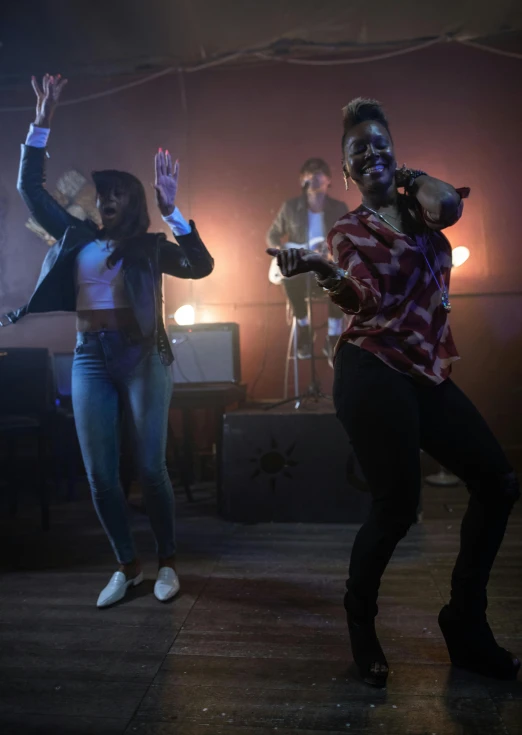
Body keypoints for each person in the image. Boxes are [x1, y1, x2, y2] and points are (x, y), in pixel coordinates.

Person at [267, 97, 520, 686]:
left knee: (498, 482)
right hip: (372, 369)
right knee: (399, 507)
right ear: (345, 171)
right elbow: (365, 299)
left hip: (426, 370)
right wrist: (326, 272)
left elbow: (450, 204)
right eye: (360, 150)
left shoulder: (421, 208)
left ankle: (464, 622)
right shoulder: (348, 228)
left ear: (395, 154)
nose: (373, 152)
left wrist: (404, 177)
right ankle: (361, 623)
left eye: (381, 143)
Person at [12, 74, 214, 608]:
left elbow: (201, 265)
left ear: (134, 203)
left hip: (142, 356)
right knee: (100, 476)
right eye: (102, 193)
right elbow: (28, 190)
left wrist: (173, 211)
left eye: (118, 192)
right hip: (89, 360)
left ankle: (167, 562)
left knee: (150, 467)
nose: (106, 199)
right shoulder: (75, 237)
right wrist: (43, 120)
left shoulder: (150, 246)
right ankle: (127, 566)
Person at [266, 158, 348, 364]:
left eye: (319, 172)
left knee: (341, 278)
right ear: (302, 179)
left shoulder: (339, 208)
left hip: (326, 270)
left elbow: (348, 239)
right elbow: (273, 235)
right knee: (289, 275)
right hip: (302, 275)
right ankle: (303, 328)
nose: (314, 176)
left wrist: (332, 250)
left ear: (329, 179)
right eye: (308, 173)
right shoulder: (291, 207)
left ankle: (333, 336)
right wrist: (281, 253)